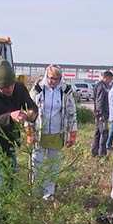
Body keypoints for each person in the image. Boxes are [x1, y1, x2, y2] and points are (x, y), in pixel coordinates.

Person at [0, 60, 38, 208]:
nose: (9, 89)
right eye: (5, 88)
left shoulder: (19, 88)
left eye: (11, 85)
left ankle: (7, 212)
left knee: (9, 179)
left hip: (9, 143)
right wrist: (10, 116)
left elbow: (32, 107)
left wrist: (30, 114)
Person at [28, 65, 77, 200]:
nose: (52, 81)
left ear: (60, 79)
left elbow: (72, 113)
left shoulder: (66, 91)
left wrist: (72, 133)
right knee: (36, 163)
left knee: (53, 165)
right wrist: (29, 132)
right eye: (50, 78)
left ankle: (48, 193)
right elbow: (29, 111)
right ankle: (35, 191)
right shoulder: (37, 89)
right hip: (39, 133)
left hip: (57, 132)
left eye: (55, 79)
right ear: (46, 76)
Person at [91, 71, 113, 156]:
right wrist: (100, 114)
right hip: (102, 114)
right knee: (104, 133)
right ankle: (102, 153)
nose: (111, 80)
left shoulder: (102, 85)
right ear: (106, 77)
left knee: (97, 133)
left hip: (100, 114)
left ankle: (95, 152)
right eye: (110, 78)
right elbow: (99, 101)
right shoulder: (102, 86)